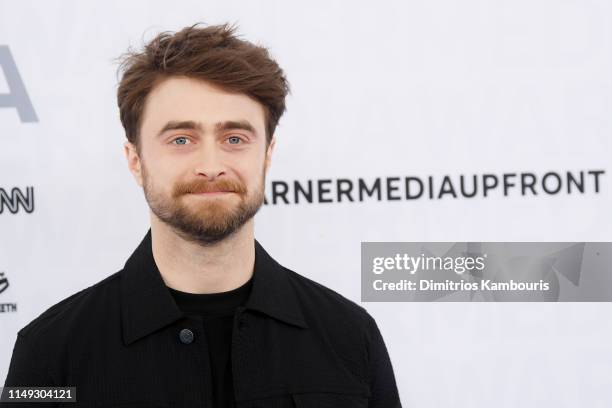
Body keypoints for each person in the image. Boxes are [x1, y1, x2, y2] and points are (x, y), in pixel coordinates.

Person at [1, 22, 402, 408]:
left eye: (234, 138)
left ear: (267, 155)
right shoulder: (50, 354)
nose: (211, 165)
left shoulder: (350, 337)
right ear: (135, 160)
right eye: (181, 139)